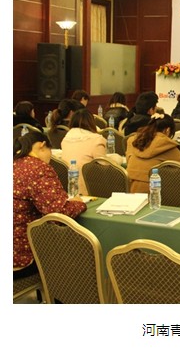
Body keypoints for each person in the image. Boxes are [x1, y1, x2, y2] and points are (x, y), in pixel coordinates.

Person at [13, 132, 86, 278]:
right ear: (42, 146)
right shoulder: (37, 168)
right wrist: (79, 204)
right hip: (22, 256)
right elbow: (58, 214)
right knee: (79, 253)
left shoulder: (14, 164)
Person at [126, 113, 180, 193]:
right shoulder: (166, 144)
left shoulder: (133, 141)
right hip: (155, 192)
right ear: (168, 130)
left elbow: (128, 161)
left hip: (130, 189)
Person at [61, 108, 118, 196]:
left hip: (69, 189)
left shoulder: (65, 139)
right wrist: (117, 159)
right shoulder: (96, 140)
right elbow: (104, 166)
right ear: (91, 122)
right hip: (90, 190)